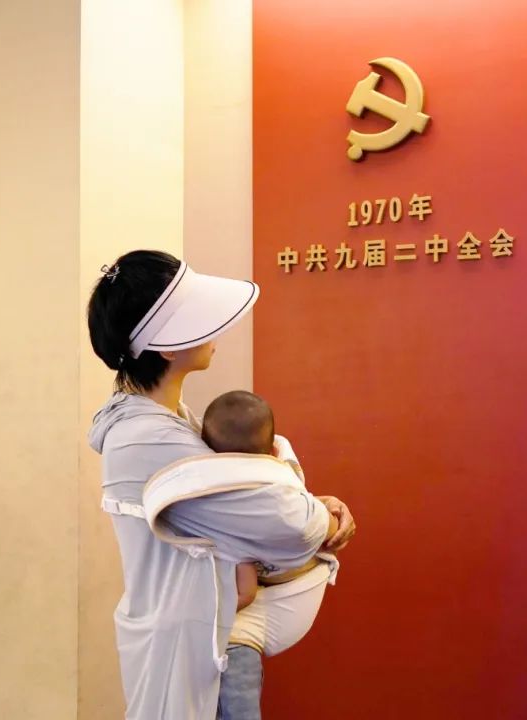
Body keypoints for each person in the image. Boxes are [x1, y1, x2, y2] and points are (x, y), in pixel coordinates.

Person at [86, 250, 356, 720]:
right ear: (168, 348)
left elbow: (254, 507)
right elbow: (292, 524)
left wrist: (313, 505)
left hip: (197, 636)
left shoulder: (169, 422)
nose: (215, 332)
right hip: (187, 649)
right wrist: (324, 517)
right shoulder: (150, 438)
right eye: (199, 320)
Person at [200, 390, 339, 634]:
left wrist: (204, 616)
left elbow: (246, 594)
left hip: (288, 576)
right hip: (307, 567)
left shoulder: (225, 501)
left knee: (242, 581)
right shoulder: (284, 469)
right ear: (272, 452)